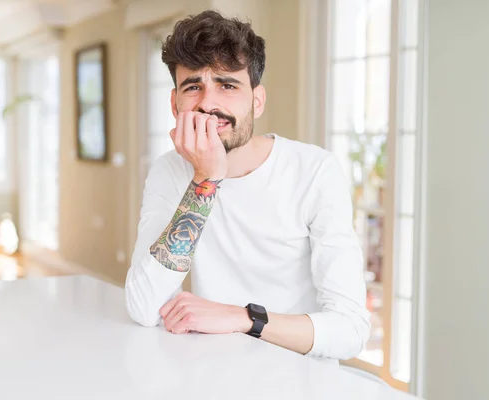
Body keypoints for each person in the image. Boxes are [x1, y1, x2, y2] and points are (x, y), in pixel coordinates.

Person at [125, 10, 370, 361]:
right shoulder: (169, 171)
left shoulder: (315, 170)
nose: (208, 103)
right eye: (193, 86)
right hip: (212, 372)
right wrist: (204, 181)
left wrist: (243, 318)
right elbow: (144, 306)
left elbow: (351, 331)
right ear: (175, 104)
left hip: (301, 380)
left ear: (256, 100)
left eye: (227, 85)